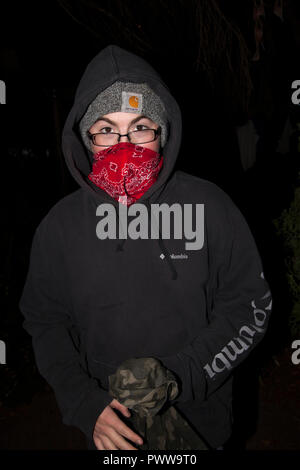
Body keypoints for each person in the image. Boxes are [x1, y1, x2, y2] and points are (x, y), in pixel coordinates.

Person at [19, 44, 272, 451]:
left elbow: (250, 306)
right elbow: (45, 321)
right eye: (105, 130)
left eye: (140, 127)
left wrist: (181, 375)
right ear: (85, 141)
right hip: (110, 432)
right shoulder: (59, 228)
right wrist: (85, 403)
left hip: (200, 423)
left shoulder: (210, 207)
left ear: (163, 132)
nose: (123, 145)